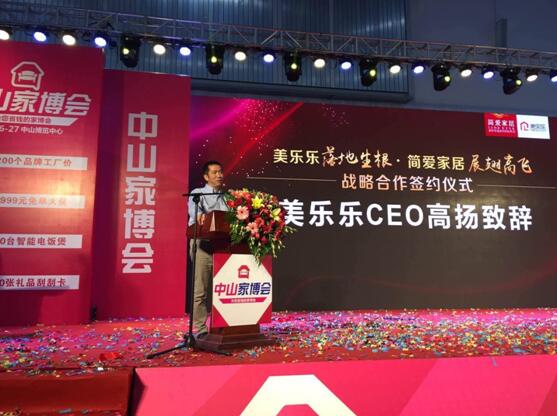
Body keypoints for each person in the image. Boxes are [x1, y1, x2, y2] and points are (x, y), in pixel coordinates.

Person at [188, 161, 227, 339]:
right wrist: (200, 216)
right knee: (201, 290)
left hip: (223, 246)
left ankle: (222, 326)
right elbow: (195, 214)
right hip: (202, 244)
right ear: (206, 176)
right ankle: (200, 329)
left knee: (224, 289)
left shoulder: (227, 196)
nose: (219, 175)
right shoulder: (197, 193)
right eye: (215, 172)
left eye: (221, 172)